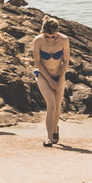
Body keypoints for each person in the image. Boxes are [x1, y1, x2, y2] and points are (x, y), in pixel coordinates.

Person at [32, 16, 69, 146]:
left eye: (53, 36)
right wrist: (49, 80)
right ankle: (48, 138)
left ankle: (54, 129)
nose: (50, 39)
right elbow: (38, 61)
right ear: (43, 32)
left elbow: (66, 61)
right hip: (43, 75)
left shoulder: (64, 40)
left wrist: (60, 79)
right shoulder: (38, 41)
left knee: (57, 108)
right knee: (51, 106)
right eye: (47, 36)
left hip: (59, 75)